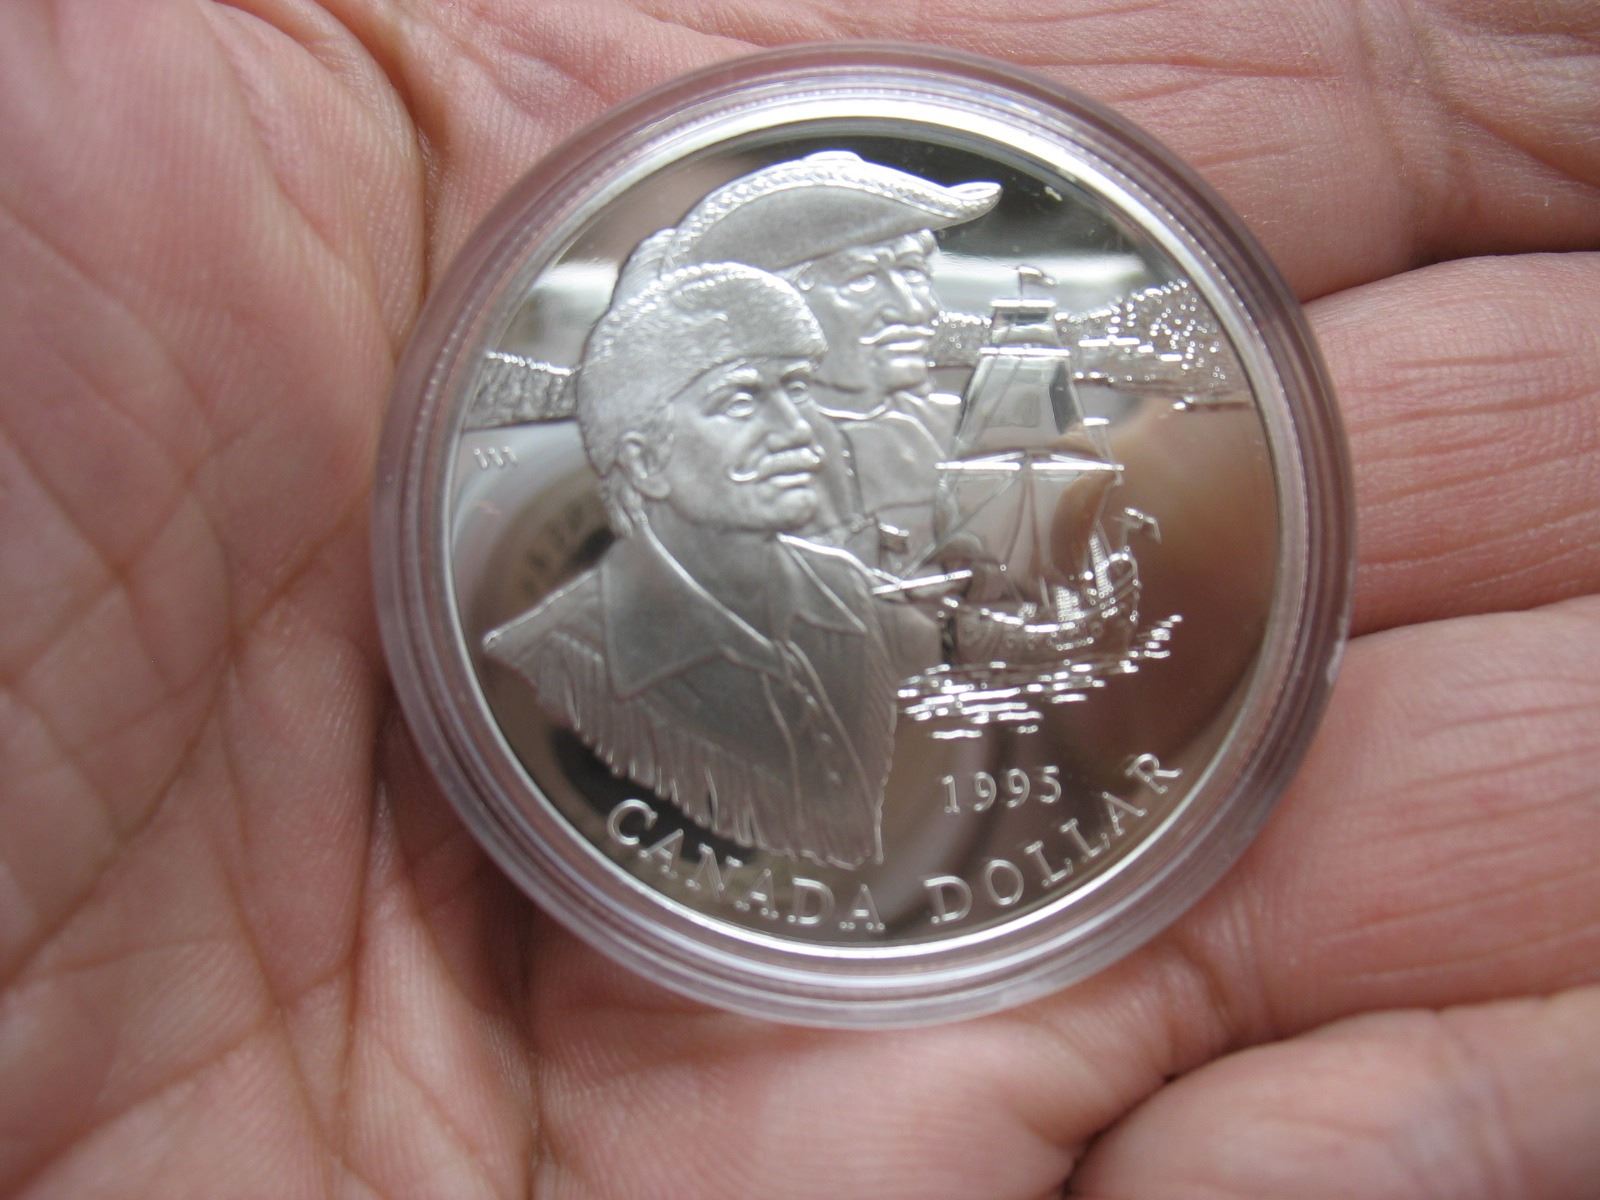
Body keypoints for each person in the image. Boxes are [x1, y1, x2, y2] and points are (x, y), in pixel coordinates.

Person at [3, 5, 1597, 1198]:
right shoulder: (596, 582)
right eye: (886, 275)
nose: (918, 307)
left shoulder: (870, 506)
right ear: (767, 315)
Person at [484, 263, 903, 868]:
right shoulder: (547, 656)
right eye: (740, 401)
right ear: (645, 462)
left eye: (797, 389)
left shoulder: (851, 596)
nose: (797, 430)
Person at [629, 151, 1002, 569]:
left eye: (913, 273)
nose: (917, 309)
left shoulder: (953, 431)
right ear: (771, 309)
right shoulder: (713, 462)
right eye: (862, 280)